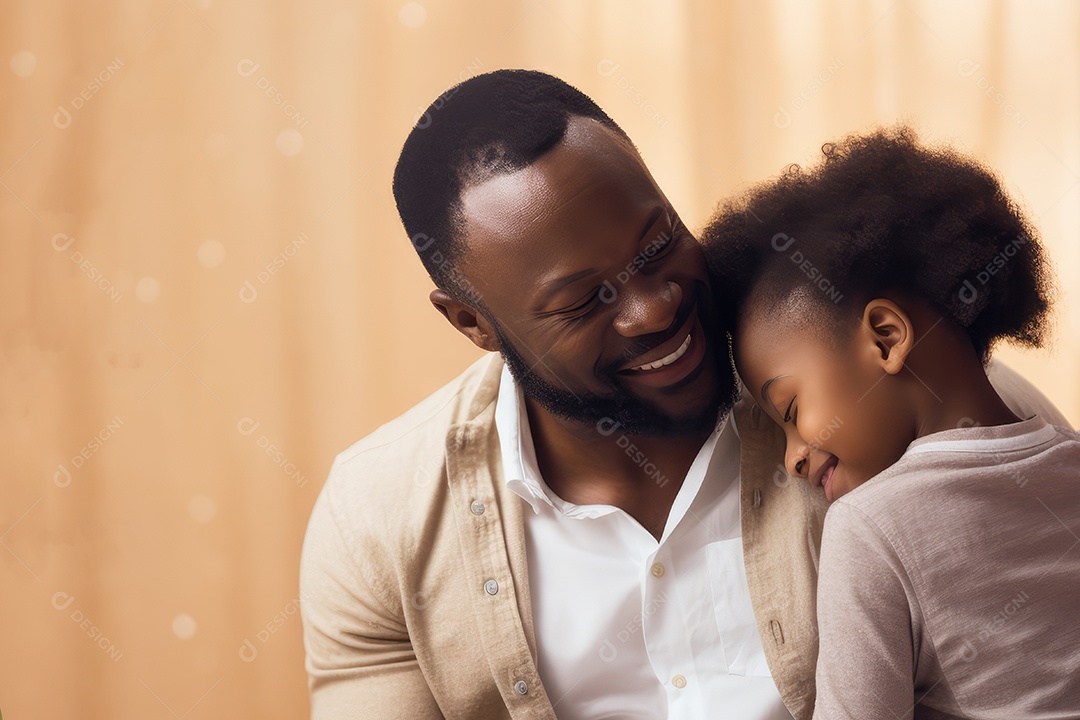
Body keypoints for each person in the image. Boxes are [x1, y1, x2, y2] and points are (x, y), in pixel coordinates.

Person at [299, 72, 1068, 720]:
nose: (654, 308)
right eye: (585, 300)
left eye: (659, 244)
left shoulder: (921, 414)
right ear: (474, 322)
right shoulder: (377, 525)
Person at [703, 127, 1080, 718]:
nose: (792, 457)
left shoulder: (869, 528)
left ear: (886, 337)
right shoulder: (1070, 457)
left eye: (794, 414)